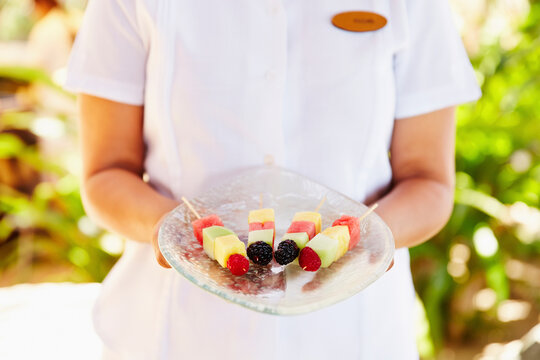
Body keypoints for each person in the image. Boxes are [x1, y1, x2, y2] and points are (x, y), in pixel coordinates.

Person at [65, 0, 480, 359]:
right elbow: (106, 171)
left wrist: (369, 235)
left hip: (354, 335)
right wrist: (167, 228)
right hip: (175, 335)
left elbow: (429, 180)